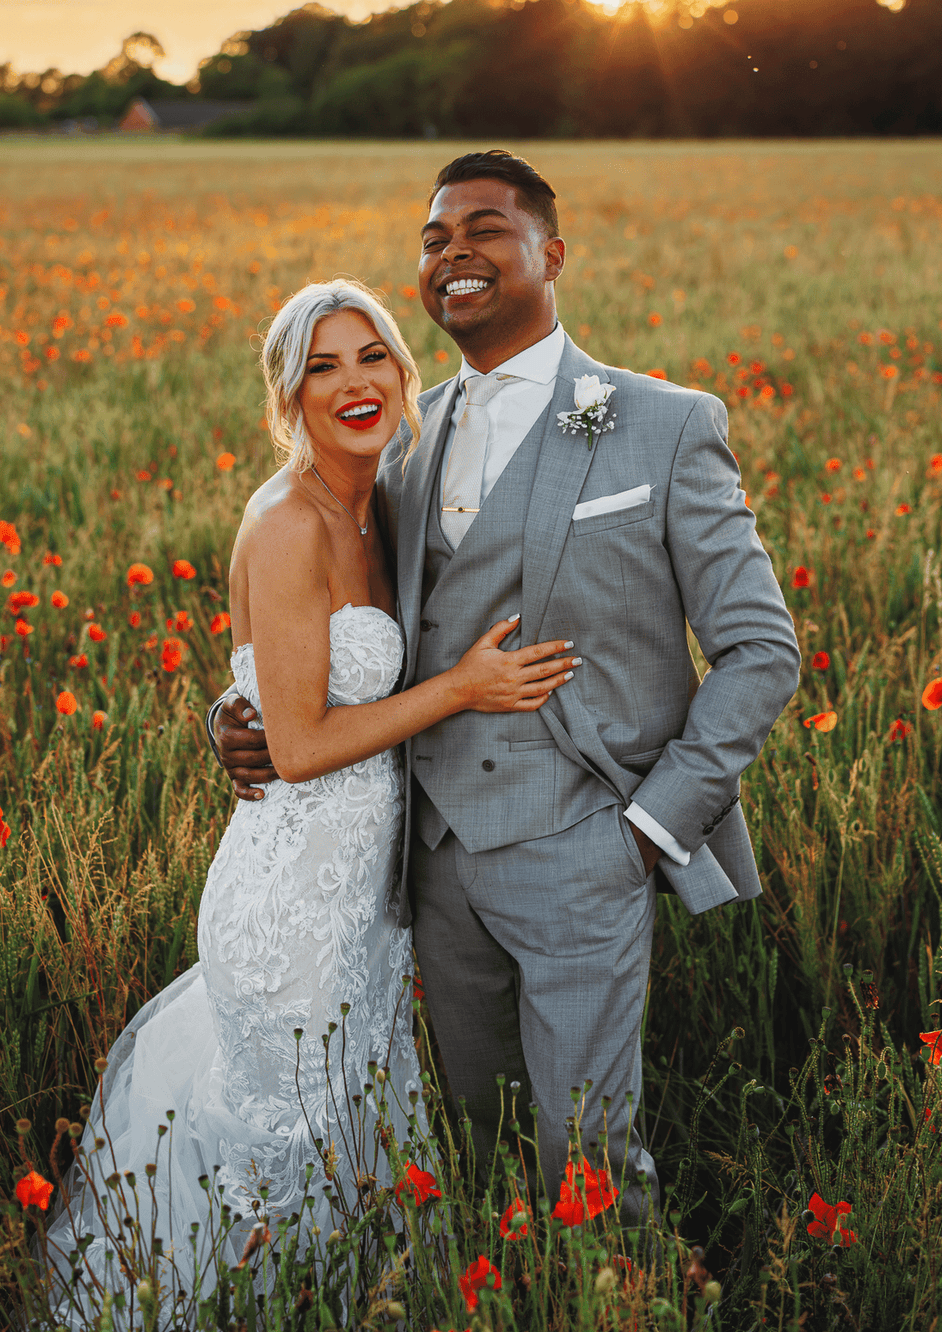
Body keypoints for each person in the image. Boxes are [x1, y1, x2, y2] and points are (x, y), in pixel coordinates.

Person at [214, 151, 801, 1224]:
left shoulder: (662, 425)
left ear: (552, 255)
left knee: (589, 1154)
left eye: (485, 229)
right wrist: (240, 712)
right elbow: (340, 617)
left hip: (588, 849)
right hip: (428, 869)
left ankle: (625, 1295)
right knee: (475, 1151)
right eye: (434, 240)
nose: (454, 254)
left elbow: (762, 651)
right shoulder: (398, 437)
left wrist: (650, 829)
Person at [45, 279, 574, 1316]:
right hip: (289, 906)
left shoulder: (395, 495)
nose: (353, 381)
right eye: (320, 367)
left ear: (402, 370)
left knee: (355, 1147)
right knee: (287, 1151)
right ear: (288, 398)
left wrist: (225, 711)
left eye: (370, 354)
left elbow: (274, 688)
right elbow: (295, 743)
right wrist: (461, 686)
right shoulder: (286, 522)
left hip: (366, 910)